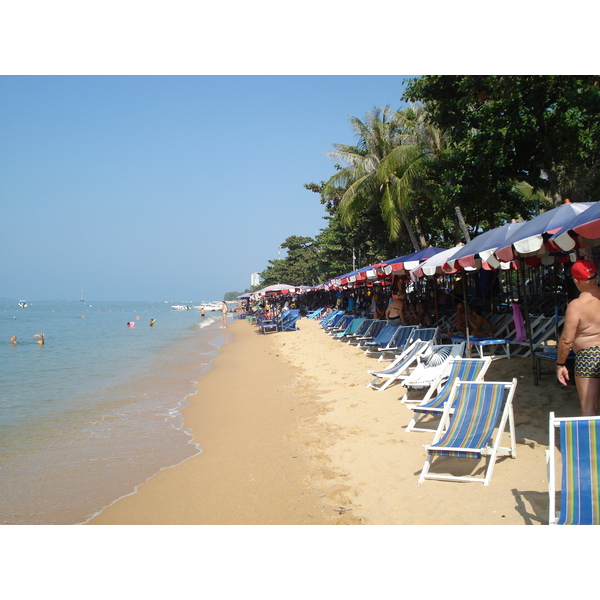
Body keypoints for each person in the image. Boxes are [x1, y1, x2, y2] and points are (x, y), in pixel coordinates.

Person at [557, 259, 600, 416]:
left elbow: (566, 340)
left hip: (588, 356)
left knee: (589, 408)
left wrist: (560, 364)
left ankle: (591, 440)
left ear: (576, 280)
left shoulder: (577, 305)